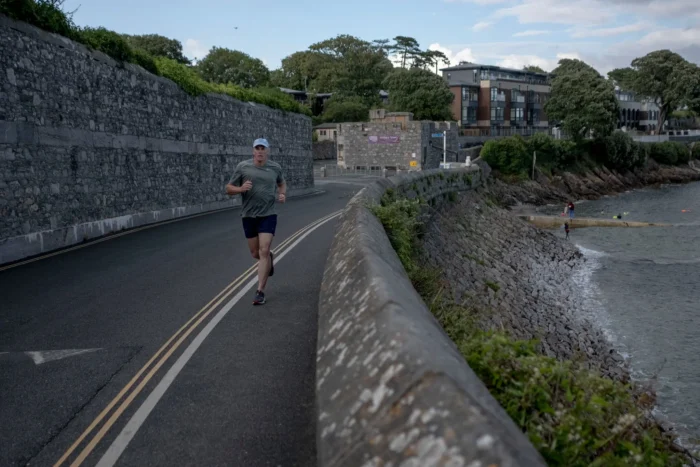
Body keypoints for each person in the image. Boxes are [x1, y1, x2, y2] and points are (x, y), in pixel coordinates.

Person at [226, 138, 286, 305]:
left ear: (267, 151)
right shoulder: (243, 167)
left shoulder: (275, 168)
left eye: (263, 148)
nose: (260, 151)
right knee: (255, 254)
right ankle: (269, 259)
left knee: (263, 250)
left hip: (268, 214)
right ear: (253, 151)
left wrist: (282, 193)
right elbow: (228, 188)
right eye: (257, 148)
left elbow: (281, 183)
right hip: (249, 215)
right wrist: (240, 189)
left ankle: (260, 291)